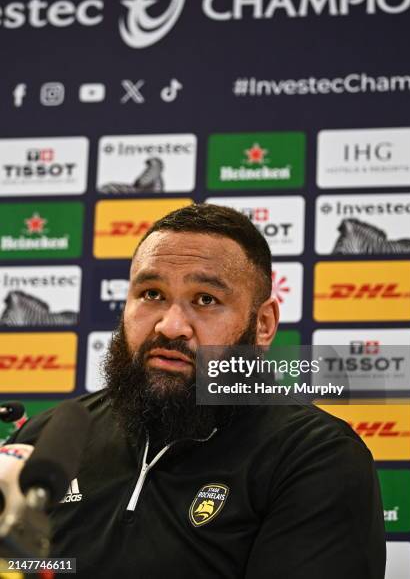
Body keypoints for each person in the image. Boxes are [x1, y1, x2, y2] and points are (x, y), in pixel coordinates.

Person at [8, 204, 386, 578]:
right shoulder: (50, 439)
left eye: (206, 300)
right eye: (151, 294)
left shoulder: (314, 456)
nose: (170, 327)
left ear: (264, 324)